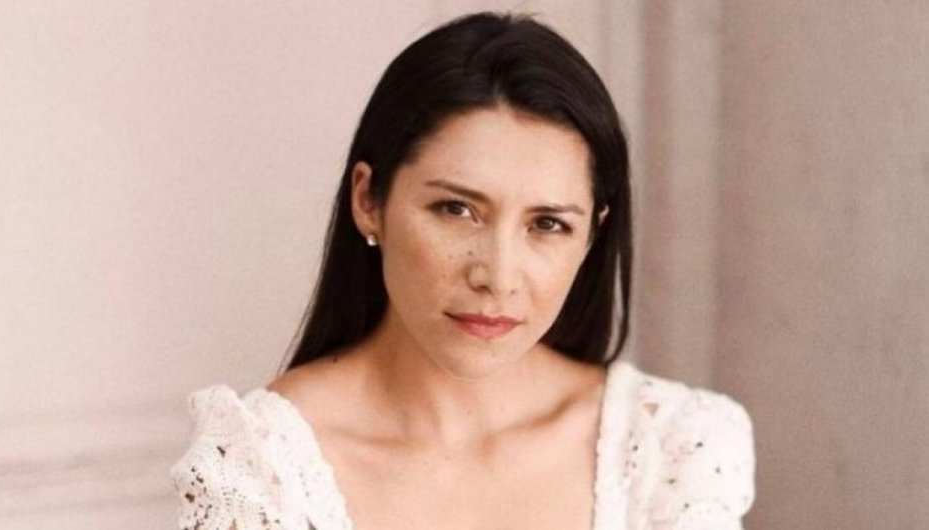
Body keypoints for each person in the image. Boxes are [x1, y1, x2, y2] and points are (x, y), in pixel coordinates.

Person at [170, 11, 755, 530]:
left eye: (548, 223)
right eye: (456, 209)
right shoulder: (260, 467)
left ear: (592, 235)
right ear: (368, 199)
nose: (497, 277)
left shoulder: (673, 446)